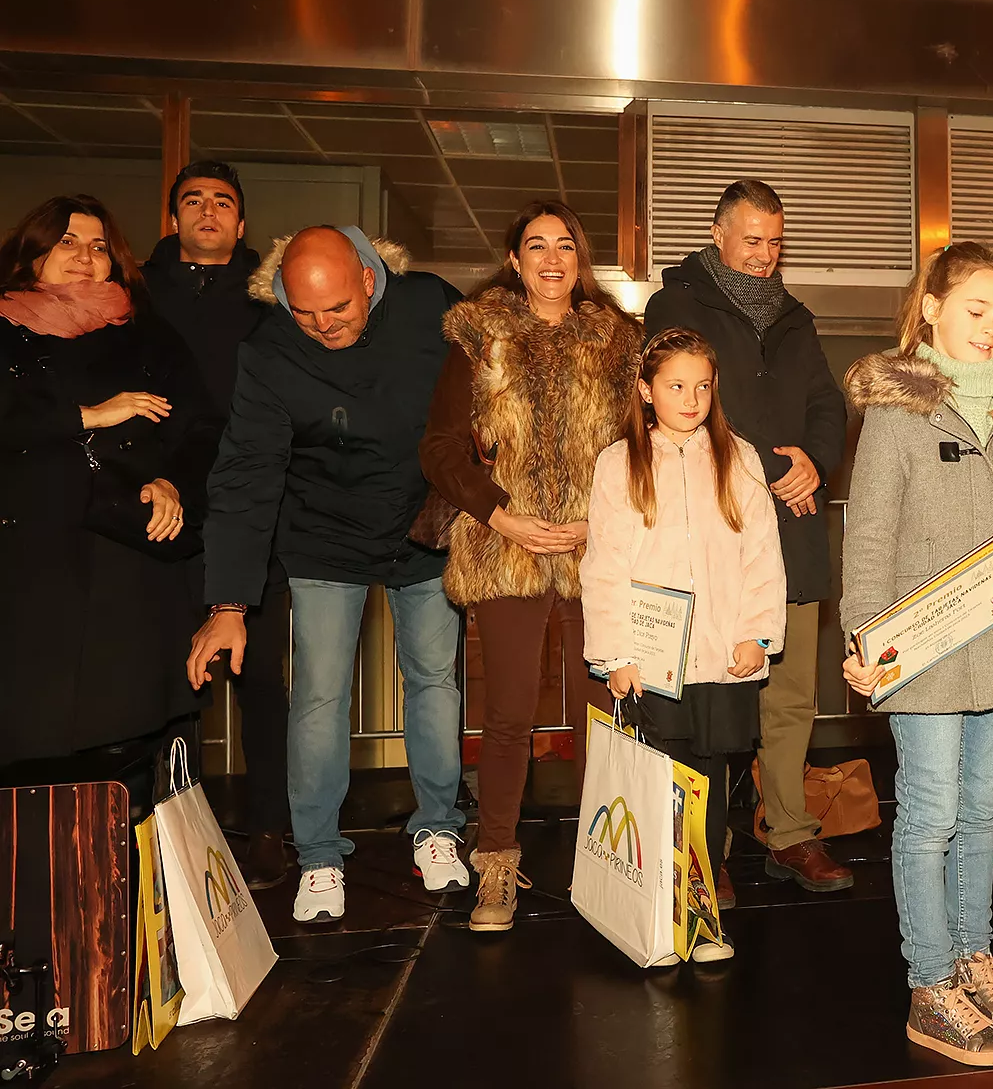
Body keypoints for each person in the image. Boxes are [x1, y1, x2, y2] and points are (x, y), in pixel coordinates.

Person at [186, 226, 470, 925]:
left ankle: (438, 828)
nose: (322, 326)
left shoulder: (431, 305)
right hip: (321, 535)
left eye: (336, 308)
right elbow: (247, 474)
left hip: (420, 524)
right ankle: (317, 856)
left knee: (432, 679)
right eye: (304, 312)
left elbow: (494, 396)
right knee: (318, 697)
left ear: (371, 282)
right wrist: (228, 601)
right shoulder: (271, 348)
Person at [840, 242, 993, 1067]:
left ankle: (975, 960)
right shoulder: (897, 411)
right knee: (931, 815)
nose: (991, 330)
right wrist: (865, 640)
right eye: (976, 311)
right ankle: (929, 987)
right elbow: (867, 538)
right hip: (922, 651)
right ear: (932, 307)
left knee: (981, 812)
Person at [419, 201, 644, 932]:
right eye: (536, 247)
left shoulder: (618, 344)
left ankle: (609, 867)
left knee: (601, 719)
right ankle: (497, 871)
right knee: (508, 717)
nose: (552, 259)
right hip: (505, 550)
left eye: (566, 247)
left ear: (582, 262)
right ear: (514, 261)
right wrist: (501, 514)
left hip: (596, 553)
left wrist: (598, 521)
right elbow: (441, 448)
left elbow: (644, 450)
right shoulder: (481, 338)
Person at [644, 179, 852, 893]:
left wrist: (815, 462)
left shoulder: (796, 318)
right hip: (718, 531)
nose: (766, 255)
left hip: (791, 528)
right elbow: (688, 407)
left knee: (791, 694)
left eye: (776, 241)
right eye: (753, 240)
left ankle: (788, 833)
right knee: (716, 699)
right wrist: (770, 464)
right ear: (719, 234)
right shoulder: (677, 305)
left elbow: (828, 402)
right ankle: (709, 850)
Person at [582, 326, 787, 966]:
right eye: (675, 385)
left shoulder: (740, 457)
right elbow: (605, 566)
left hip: (723, 654)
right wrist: (615, 655)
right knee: (662, 783)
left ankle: (698, 920)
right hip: (654, 660)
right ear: (646, 391)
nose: (691, 397)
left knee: (714, 778)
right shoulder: (618, 463)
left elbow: (762, 554)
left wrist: (758, 632)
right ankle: (663, 917)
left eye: (702, 385)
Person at [0, 196, 216, 791]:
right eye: (68, 241)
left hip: (129, 556)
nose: (85, 257)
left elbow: (199, 425)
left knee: (129, 738)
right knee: (34, 739)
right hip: (31, 562)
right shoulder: (5, 328)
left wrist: (173, 481)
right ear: (33, 252)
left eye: (98, 246)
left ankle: (122, 877)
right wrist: (86, 415)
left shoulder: (146, 332)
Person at [141, 160, 292, 888]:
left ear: (240, 222)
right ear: (174, 220)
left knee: (260, 676)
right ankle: (183, 832)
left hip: (259, 508)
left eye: (222, 203)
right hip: (164, 506)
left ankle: (270, 828)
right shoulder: (135, 295)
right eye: (193, 201)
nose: (208, 212)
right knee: (176, 682)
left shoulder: (272, 300)